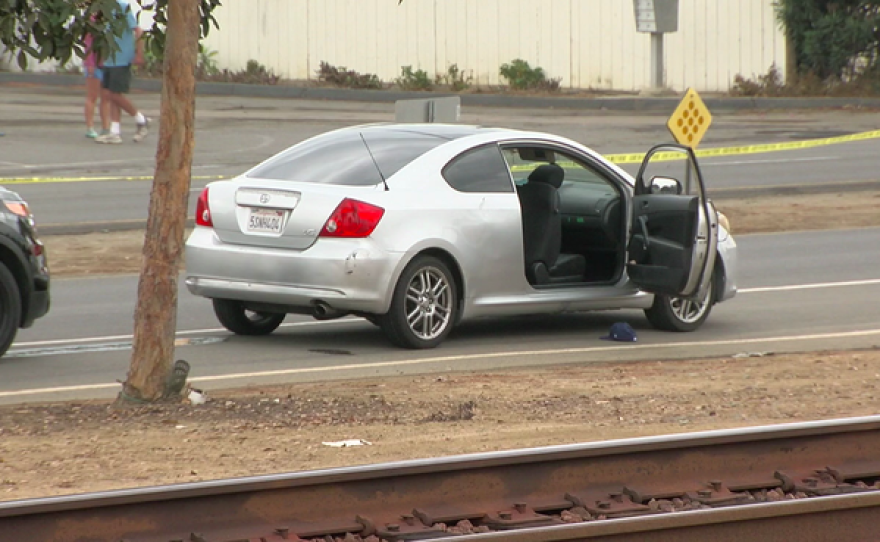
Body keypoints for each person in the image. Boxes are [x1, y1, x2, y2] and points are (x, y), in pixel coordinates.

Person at [95, 0, 151, 144]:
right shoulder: (101, 8)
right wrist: (102, 56)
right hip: (109, 58)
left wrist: (139, 54)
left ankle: (141, 119)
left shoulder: (122, 6)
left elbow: (138, 31)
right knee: (110, 94)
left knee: (115, 94)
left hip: (122, 57)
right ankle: (115, 131)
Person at [82, 10, 106, 139]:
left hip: (106, 64)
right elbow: (88, 44)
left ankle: (105, 127)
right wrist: (90, 63)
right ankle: (90, 127)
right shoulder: (92, 21)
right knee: (92, 96)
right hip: (94, 64)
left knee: (105, 97)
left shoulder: (109, 21)